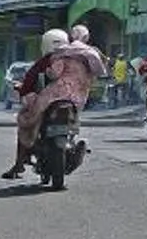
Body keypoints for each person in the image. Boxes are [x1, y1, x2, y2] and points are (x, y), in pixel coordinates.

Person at [6, 27, 105, 180]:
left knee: (26, 120)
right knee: (73, 120)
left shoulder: (53, 59)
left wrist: (25, 90)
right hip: (78, 98)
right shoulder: (86, 58)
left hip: (55, 95)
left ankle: (19, 163)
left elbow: (35, 79)